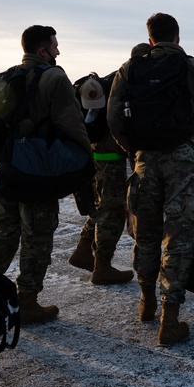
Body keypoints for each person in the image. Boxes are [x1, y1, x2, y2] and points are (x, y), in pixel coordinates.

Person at [107, 13, 194, 346]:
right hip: (184, 163)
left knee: (146, 234)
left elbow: (114, 117)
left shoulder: (131, 69)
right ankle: (169, 321)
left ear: (151, 38)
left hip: (145, 161)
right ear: (178, 37)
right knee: (179, 236)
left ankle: (146, 303)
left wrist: (134, 149)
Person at [0, 26, 92, 326]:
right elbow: (72, 124)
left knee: (3, 233)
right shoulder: (54, 77)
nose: (58, 51)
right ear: (43, 51)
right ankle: (27, 302)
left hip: (4, 172)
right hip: (37, 173)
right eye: (55, 46)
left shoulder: (4, 77)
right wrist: (85, 159)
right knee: (37, 238)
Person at [67, 69, 135, 286]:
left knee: (102, 204)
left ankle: (83, 249)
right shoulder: (128, 80)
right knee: (112, 209)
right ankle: (102, 267)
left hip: (95, 151)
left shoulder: (111, 79)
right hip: (111, 153)